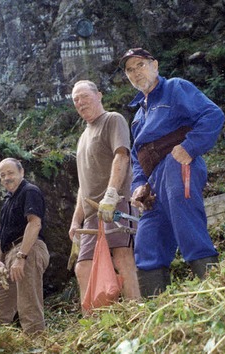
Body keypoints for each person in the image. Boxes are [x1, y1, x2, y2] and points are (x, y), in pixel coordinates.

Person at [120, 48, 224, 296]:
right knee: (147, 239)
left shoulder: (175, 88)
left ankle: (217, 289)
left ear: (155, 65)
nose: (136, 72)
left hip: (178, 165)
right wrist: (138, 184)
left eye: (140, 65)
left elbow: (212, 114)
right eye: (129, 70)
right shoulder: (137, 117)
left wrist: (190, 146)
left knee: (186, 221)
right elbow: (137, 158)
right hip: (153, 180)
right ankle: (157, 309)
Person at [68, 80, 141, 306]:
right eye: (75, 100)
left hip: (115, 202)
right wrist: (75, 219)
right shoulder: (82, 138)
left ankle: (136, 311)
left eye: (84, 96)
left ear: (99, 95)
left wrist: (111, 194)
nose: (80, 102)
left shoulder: (112, 119)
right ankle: (96, 325)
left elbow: (122, 155)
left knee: (122, 256)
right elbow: (83, 184)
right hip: (91, 215)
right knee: (83, 267)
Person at [0, 158, 49, 335]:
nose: (7, 178)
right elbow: (3, 237)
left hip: (28, 249)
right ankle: (3, 346)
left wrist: (22, 257)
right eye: (2, 175)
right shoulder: (7, 202)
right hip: (9, 256)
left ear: (22, 172)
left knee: (28, 306)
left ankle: (38, 346)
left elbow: (34, 224)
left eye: (10, 173)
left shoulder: (30, 191)